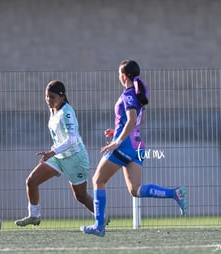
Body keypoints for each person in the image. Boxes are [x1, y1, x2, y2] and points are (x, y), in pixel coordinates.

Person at [80, 60, 187, 237]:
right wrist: (117, 130)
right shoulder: (138, 94)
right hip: (137, 146)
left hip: (125, 145)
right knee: (135, 190)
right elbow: (139, 121)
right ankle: (175, 193)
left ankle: (99, 225)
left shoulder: (128, 94)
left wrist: (117, 140)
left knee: (98, 180)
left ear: (124, 76)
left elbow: (131, 120)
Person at [15, 80, 95, 226]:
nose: (48, 100)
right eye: (47, 97)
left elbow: (72, 140)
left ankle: (101, 215)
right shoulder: (53, 110)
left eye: (52, 97)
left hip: (75, 158)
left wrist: (52, 152)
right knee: (32, 181)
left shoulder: (67, 112)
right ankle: (34, 215)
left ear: (62, 97)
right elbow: (60, 136)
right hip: (58, 157)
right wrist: (53, 152)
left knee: (81, 196)